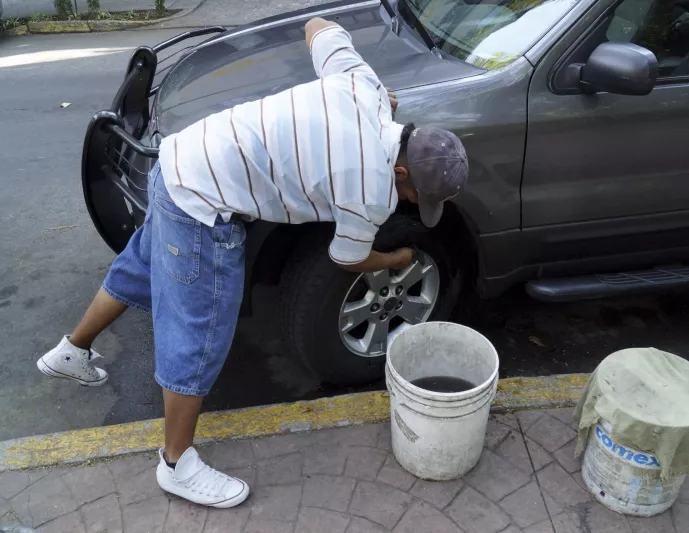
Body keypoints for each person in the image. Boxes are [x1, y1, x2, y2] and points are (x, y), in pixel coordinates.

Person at [35, 17, 468, 508]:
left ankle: (72, 351)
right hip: (204, 206)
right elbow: (346, 257)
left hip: (175, 163)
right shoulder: (370, 190)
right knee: (199, 333)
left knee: (139, 269)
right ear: (403, 168)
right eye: (413, 192)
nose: (408, 200)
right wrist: (394, 256)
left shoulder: (360, 84)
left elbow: (318, 24)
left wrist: (375, 94)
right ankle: (176, 463)